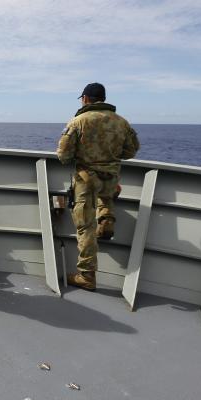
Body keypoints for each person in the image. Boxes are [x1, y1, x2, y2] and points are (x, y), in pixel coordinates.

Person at [56, 82, 140, 291]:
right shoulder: (122, 122)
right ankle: (106, 224)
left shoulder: (78, 121)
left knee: (85, 226)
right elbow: (131, 151)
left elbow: (63, 155)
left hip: (87, 180)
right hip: (111, 177)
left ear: (85, 99)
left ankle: (87, 276)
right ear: (103, 98)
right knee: (108, 197)